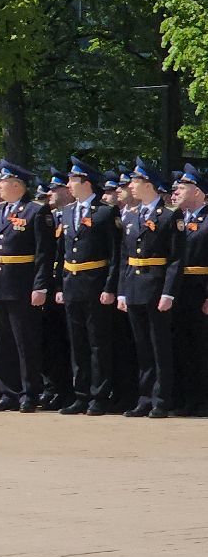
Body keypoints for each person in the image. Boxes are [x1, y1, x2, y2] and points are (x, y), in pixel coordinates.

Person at [0, 159, 55, 412]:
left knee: (25, 343)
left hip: (22, 284)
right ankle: (8, 392)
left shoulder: (35, 211)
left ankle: (29, 393)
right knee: (4, 344)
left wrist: (40, 286)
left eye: (1, 182)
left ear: (15, 184)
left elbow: (44, 253)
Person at [54, 157, 121, 416]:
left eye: (73, 179)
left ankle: (99, 395)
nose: (69, 184)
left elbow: (115, 254)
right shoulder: (68, 212)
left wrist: (109, 286)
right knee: (77, 343)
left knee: (98, 344)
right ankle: (80, 394)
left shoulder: (105, 212)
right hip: (72, 283)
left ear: (86, 182)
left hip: (95, 283)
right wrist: (59, 285)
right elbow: (62, 253)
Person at [116, 158, 177, 417]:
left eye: (135, 181)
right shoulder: (131, 216)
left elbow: (175, 259)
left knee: (159, 346)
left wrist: (168, 291)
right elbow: (123, 257)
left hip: (155, 284)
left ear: (148, 185)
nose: (131, 186)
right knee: (141, 346)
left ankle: (161, 398)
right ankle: (144, 396)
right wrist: (121, 290)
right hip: (134, 285)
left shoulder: (169, 216)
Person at [170, 164, 208, 416]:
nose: (178, 191)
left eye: (183, 187)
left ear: (198, 192)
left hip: (201, 290)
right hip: (180, 290)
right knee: (182, 347)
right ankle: (187, 399)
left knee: (202, 348)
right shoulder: (178, 219)